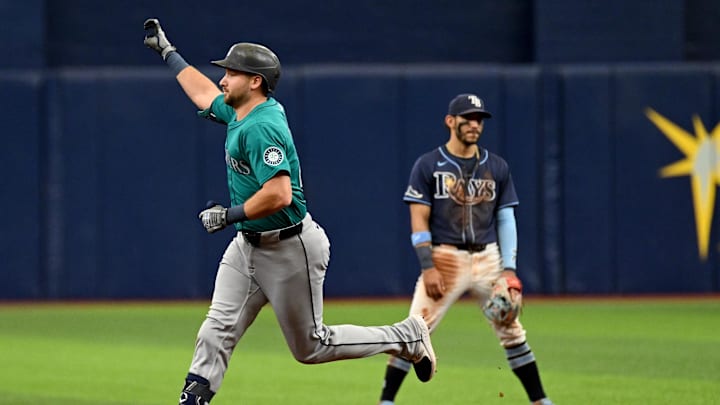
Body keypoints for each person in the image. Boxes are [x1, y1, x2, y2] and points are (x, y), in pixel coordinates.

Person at [142, 18, 436, 405]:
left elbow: (279, 194)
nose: (224, 79)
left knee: (311, 347)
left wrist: (228, 215)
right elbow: (201, 94)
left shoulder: (261, 126)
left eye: (231, 72)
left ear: (255, 82)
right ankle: (193, 398)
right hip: (247, 246)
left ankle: (407, 335)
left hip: (289, 247)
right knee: (216, 329)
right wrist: (168, 52)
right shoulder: (239, 112)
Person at [377, 94, 553, 405]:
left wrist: (509, 269)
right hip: (445, 259)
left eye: (479, 119)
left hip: (488, 258)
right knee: (415, 329)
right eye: (467, 118)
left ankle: (540, 400)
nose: (474, 124)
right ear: (450, 121)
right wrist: (427, 265)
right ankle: (387, 401)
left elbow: (505, 217)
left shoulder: (496, 166)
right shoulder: (429, 165)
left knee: (511, 329)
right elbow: (418, 219)